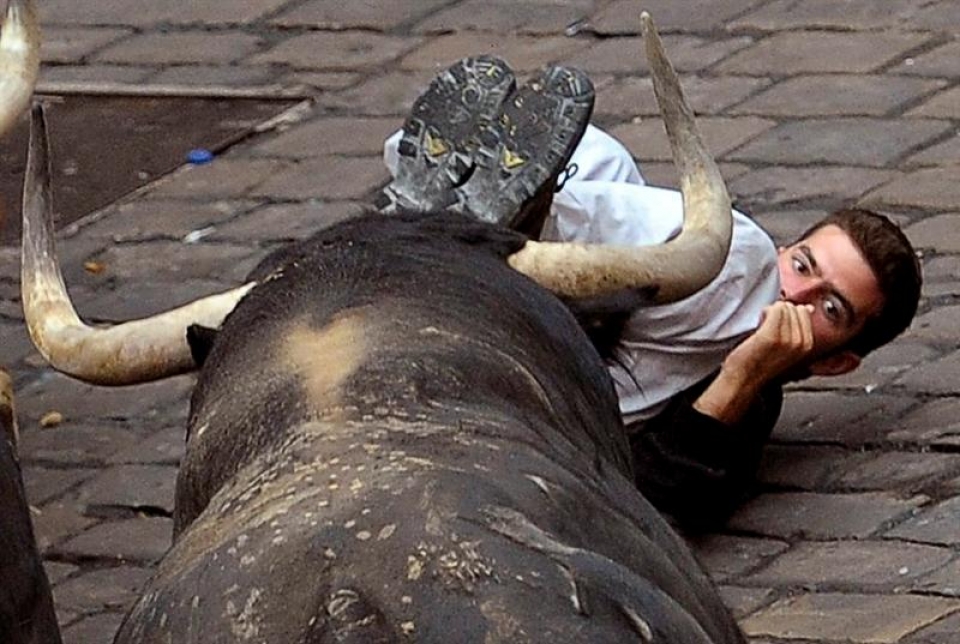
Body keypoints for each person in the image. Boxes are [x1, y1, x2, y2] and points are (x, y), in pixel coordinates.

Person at [379, 56, 923, 532]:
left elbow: (657, 500)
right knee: (610, 163)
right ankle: (500, 197)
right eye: (802, 264)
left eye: (830, 308)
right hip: (493, 303)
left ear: (836, 362)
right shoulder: (747, 275)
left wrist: (739, 379)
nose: (795, 292)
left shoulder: (749, 405)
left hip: (506, 392)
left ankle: (507, 210)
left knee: (727, 254)